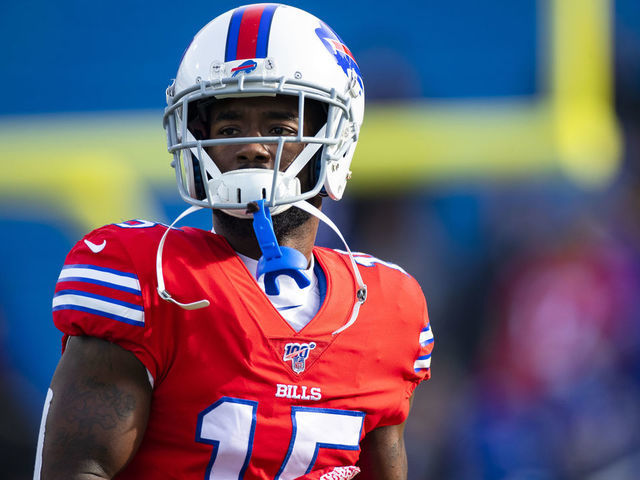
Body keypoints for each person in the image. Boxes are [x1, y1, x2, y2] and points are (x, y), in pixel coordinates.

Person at [34, 4, 434, 479]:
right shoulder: (151, 278)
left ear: (335, 141)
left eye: (280, 128)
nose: (252, 146)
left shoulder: (386, 306)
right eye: (229, 129)